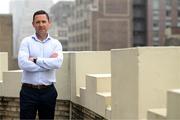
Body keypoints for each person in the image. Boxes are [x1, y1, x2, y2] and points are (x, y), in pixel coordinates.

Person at [18, 10, 63, 119]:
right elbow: (23, 64)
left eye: (43, 21)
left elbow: (57, 63)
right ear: (33, 24)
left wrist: (35, 60)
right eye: (37, 22)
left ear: (49, 23)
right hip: (28, 92)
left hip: (48, 92)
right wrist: (48, 63)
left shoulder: (56, 44)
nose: (41, 25)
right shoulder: (26, 42)